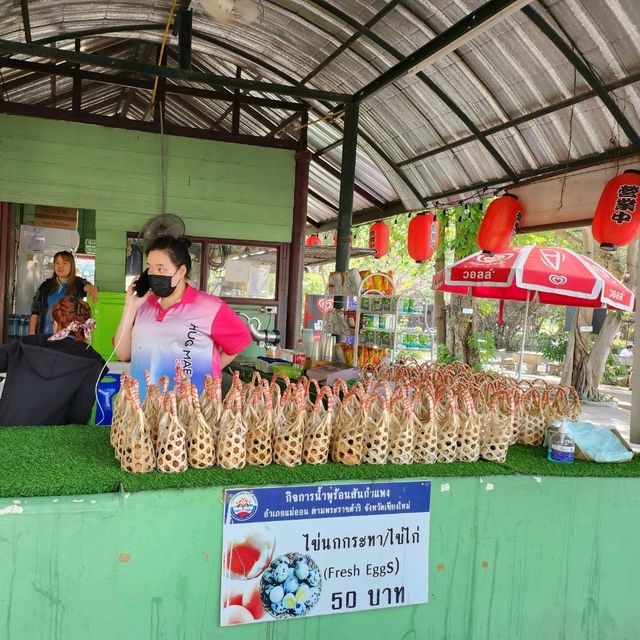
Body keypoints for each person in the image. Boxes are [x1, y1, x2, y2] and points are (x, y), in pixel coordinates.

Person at [114, 235, 252, 400]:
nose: (153, 274)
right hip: (145, 405)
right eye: (150, 268)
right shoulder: (143, 305)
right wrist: (130, 306)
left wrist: (209, 369)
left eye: (161, 269)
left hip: (192, 408)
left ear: (181, 271)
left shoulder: (209, 306)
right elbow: (122, 354)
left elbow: (239, 341)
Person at [0, 297, 107, 426]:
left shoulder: (25, 344)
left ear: (55, 324)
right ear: (87, 328)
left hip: (5, 430)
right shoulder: (92, 361)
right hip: (52, 440)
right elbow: (79, 416)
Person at [29, 250, 99, 335]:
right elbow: (35, 311)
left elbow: (86, 286)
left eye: (64, 263)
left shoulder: (77, 283)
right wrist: (31, 334)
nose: (60, 266)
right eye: (57, 263)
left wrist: (92, 288)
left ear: (71, 265)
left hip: (69, 337)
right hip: (45, 334)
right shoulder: (46, 285)